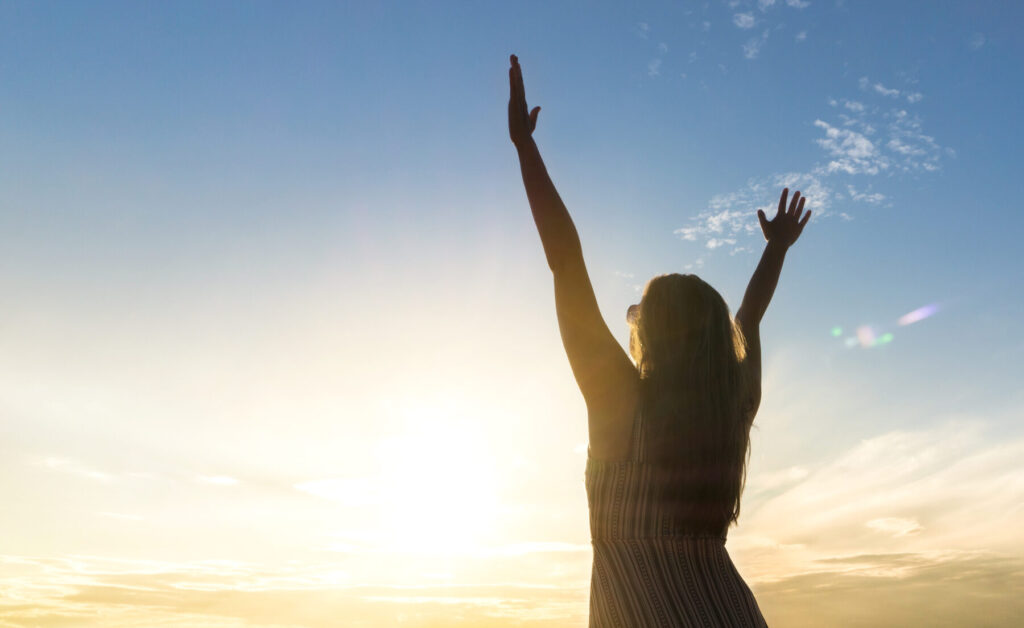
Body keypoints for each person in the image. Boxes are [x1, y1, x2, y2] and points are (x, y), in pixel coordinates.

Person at [508, 54, 810, 627]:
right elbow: (750, 318)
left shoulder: (620, 405)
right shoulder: (732, 409)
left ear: (657, 335)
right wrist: (776, 249)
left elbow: (565, 264)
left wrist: (525, 149)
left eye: (641, 314)